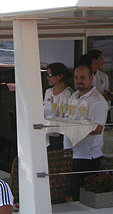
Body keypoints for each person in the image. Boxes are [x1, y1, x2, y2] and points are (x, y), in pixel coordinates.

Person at [64, 63, 109, 201]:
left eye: (82, 77)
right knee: (70, 194)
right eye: (76, 77)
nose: (79, 81)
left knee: (82, 198)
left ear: (91, 78)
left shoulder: (98, 101)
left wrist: (72, 127)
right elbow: (66, 119)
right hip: (70, 153)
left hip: (87, 157)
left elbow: (97, 129)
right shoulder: (73, 96)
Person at [43, 62, 72, 150]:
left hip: (61, 135)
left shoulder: (69, 94)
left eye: (50, 75)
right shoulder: (48, 92)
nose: (48, 77)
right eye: (47, 75)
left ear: (60, 76)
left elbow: (69, 117)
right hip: (47, 133)